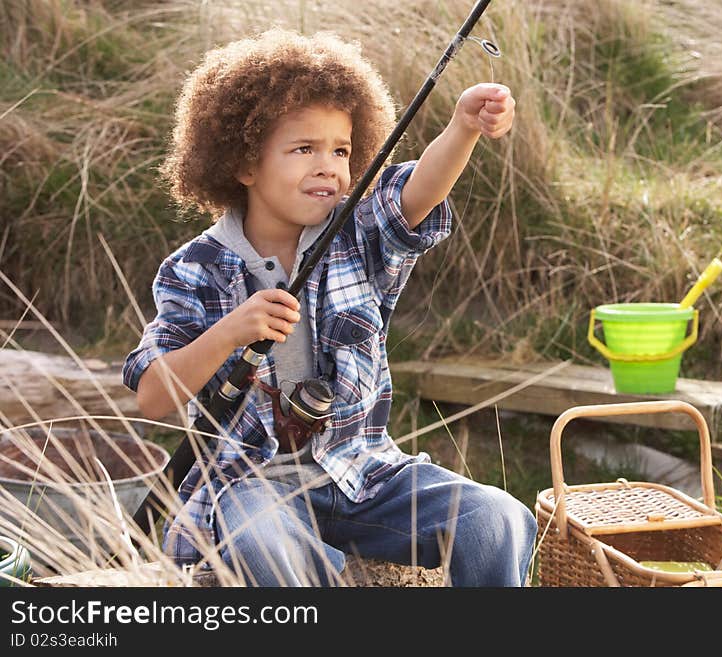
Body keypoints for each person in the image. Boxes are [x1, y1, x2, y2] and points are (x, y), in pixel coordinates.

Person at [123, 28, 537, 587]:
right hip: (253, 485)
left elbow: (417, 191)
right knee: (263, 544)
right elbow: (152, 395)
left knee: (499, 518)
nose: (328, 167)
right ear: (244, 164)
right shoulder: (192, 270)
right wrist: (231, 331)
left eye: (341, 150)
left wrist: (463, 126)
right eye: (303, 149)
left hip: (365, 472)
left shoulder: (355, 231)